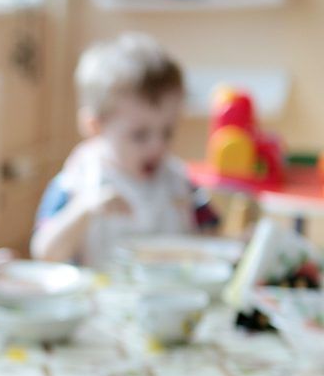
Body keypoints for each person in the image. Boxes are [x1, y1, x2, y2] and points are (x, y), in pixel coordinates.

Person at [31, 32, 217, 269]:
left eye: (168, 132)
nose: (157, 145)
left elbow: (212, 238)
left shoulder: (179, 182)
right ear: (95, 127)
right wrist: (85, 209)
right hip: (99, 301)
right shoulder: (77, 183)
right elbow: (43, 252)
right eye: (140, 135)